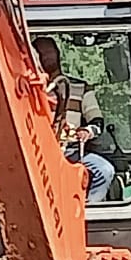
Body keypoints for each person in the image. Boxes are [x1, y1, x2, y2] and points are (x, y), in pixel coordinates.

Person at [31, 36, 115, 203]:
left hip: (71, 152)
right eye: (40, 53)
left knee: (104, 170)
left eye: (49, 51)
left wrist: (87, 131)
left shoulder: (80, 87)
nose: (45, 56)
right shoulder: (30, 90)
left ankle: (87, 211)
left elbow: (97, 121)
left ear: (58, 53)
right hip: (36, 153)